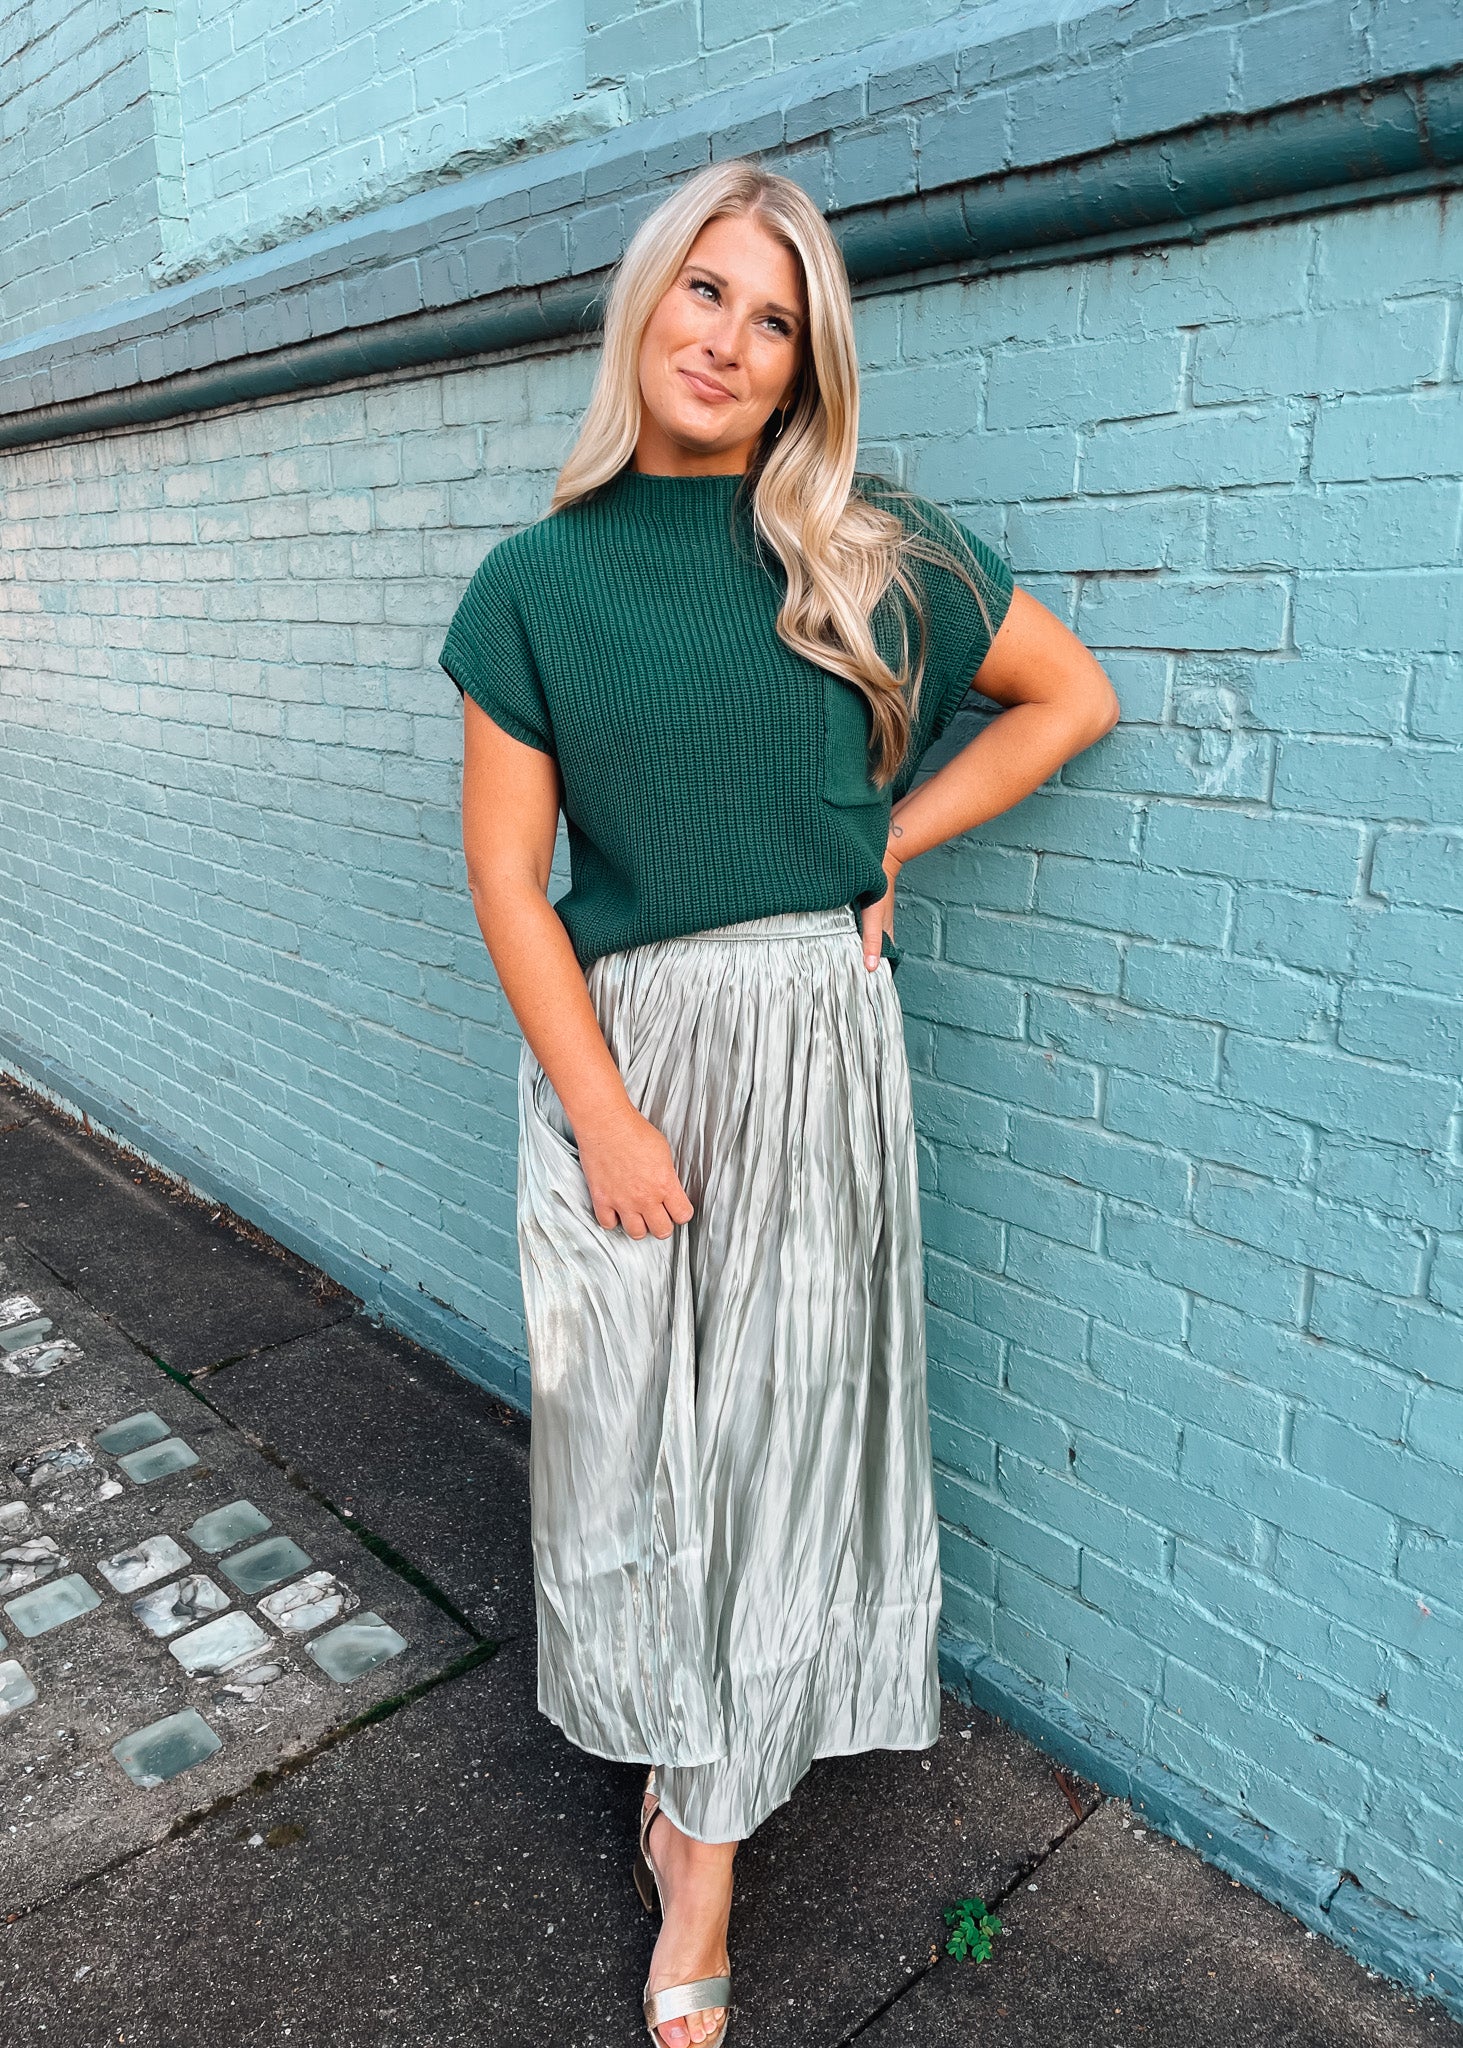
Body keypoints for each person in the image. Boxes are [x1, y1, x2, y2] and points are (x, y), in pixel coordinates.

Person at [440, 158, 1119, 2048]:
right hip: (630, 1057)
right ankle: (684, 1776)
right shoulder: (536, 586)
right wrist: (605, 1115)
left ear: (809, 364)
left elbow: (1068, 698)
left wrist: (884, 840)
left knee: (779, 1449)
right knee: (635, 1445)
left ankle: (707, 1850)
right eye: (707, 292)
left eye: (777, 320)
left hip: (818, 1046)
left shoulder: (864, 551)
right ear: (646, 301)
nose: (732, 341)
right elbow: (507, 879)